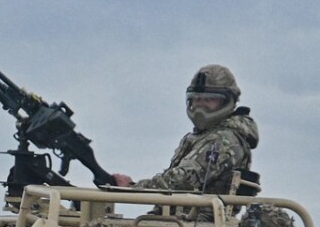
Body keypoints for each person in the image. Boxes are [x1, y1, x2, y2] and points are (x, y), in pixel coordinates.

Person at [111, 64, 259, 196]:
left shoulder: (224, 140)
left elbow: (184, 180)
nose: (201, 106)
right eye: (197, 99)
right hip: (180, 216)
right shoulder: (205, 136)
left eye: (209, 99)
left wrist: (133, 187)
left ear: (227, 102)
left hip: (199, 220)